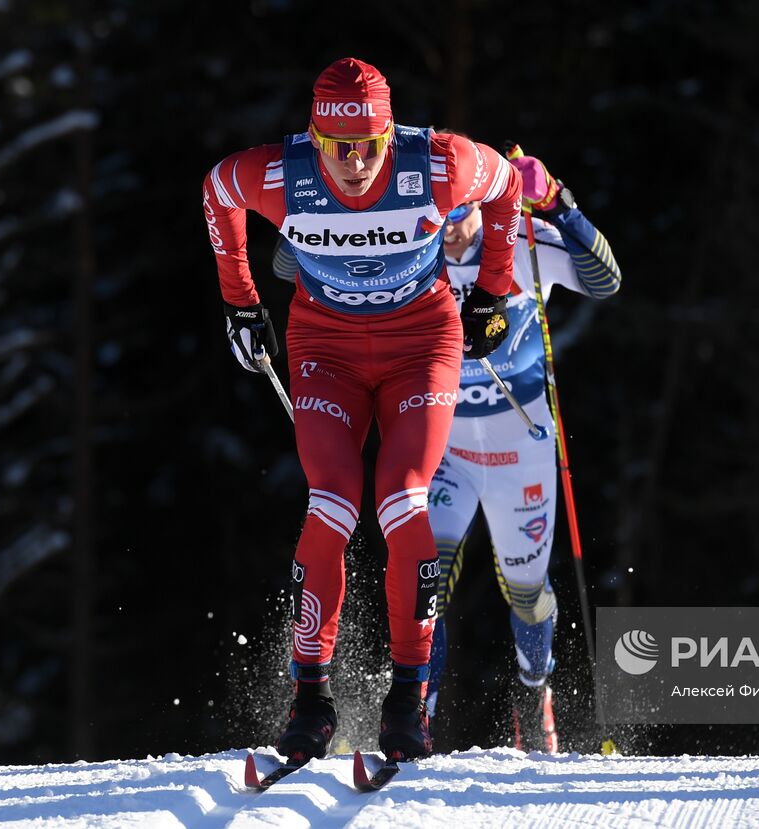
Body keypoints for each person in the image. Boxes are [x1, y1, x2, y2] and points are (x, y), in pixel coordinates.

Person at [201, 57, 521, 765]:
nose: (353, 163)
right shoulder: (280, 176)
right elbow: (216, 189)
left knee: (404, 497)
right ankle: (310, 700)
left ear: (389, 134)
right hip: (326, 348)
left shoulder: (437, 164)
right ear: (314, 137)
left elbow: (508, 185)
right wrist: (239, 300)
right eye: (338, 146)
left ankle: (407, 700)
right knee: (333, 503)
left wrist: (493, 290)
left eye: (370, 145)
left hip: (422, 344)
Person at [271, 142, 621, 752]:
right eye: (444, 214)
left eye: (464, 215)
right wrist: (323, 203)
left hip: (524, 450)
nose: (452, 231)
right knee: (425, 572)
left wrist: (560, 205)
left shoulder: (521, 239)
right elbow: (290, 263)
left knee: (527, 594)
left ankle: (532, 690)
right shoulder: (410, 237)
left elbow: (606, 279)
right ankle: (415, 713)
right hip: (447, 445)